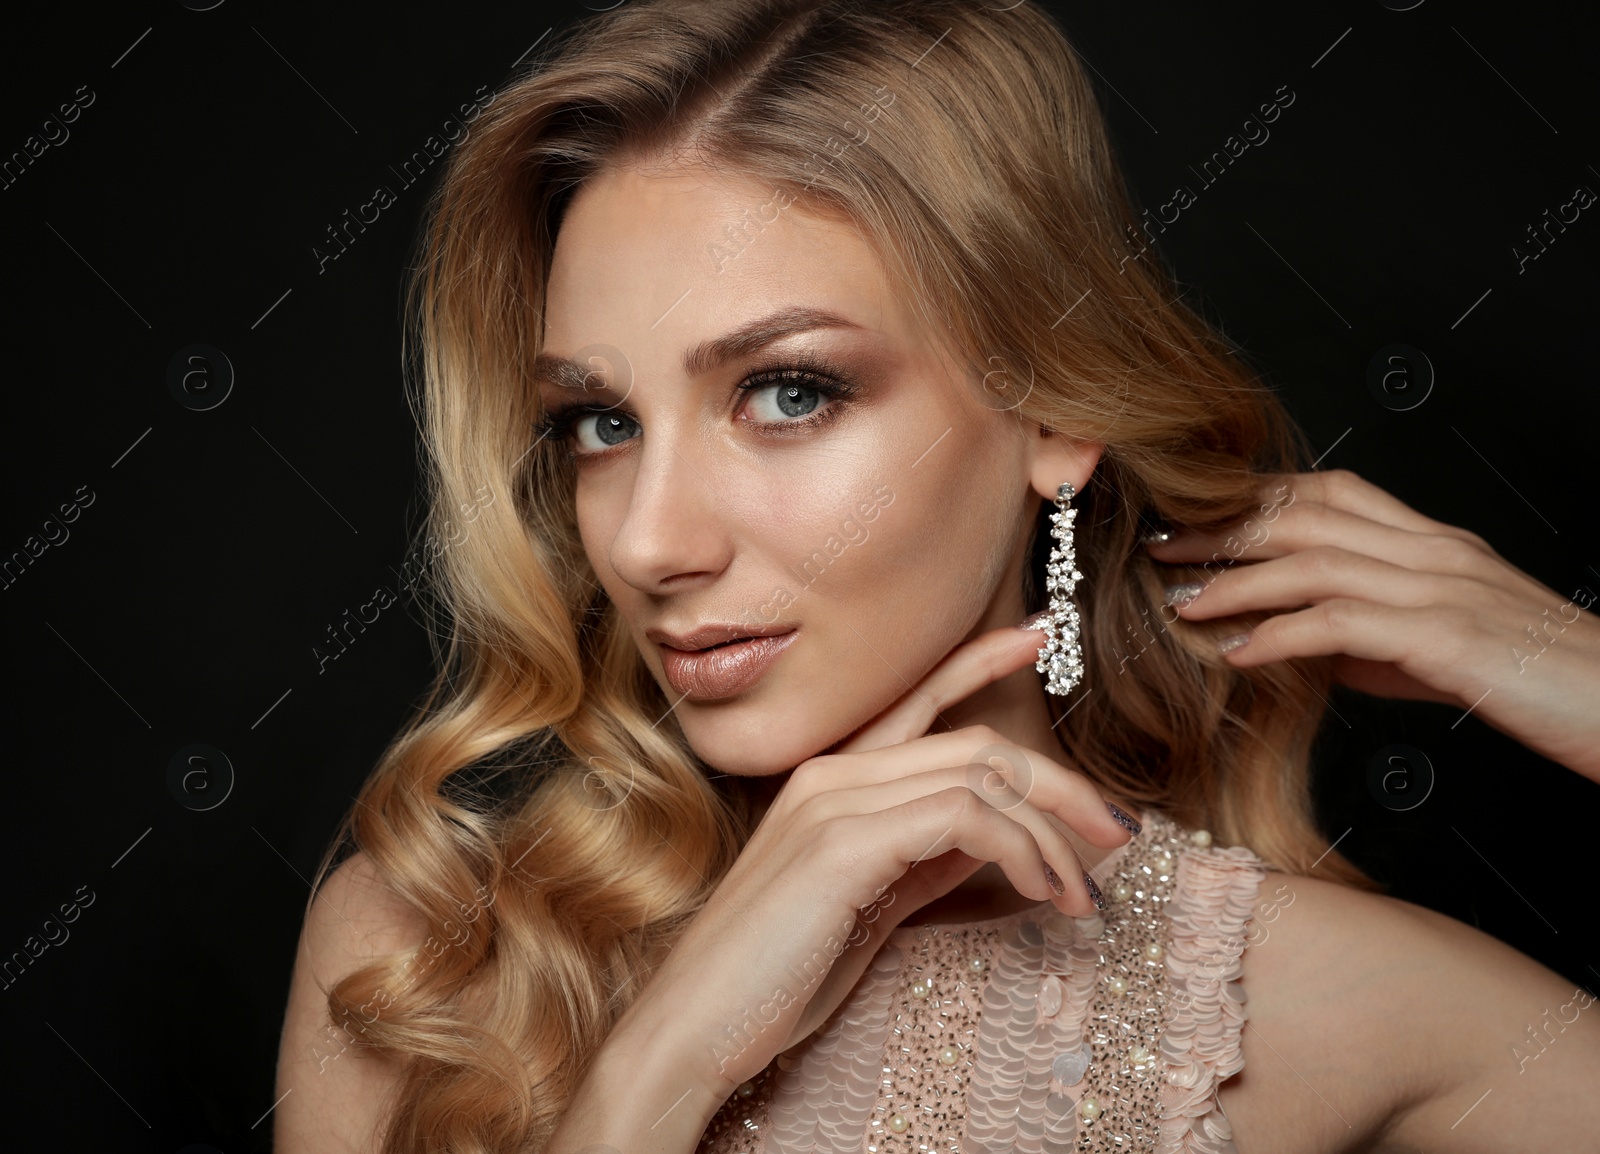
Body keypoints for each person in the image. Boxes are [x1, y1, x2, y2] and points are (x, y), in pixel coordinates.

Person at [271, 1, 1600, 1151]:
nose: (645, 539)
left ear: (1053, 413)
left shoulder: (1305, 1000)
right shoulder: (432, 955)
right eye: (600, 423)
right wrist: (662, 1059)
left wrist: (1581, 676)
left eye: (787, 391)